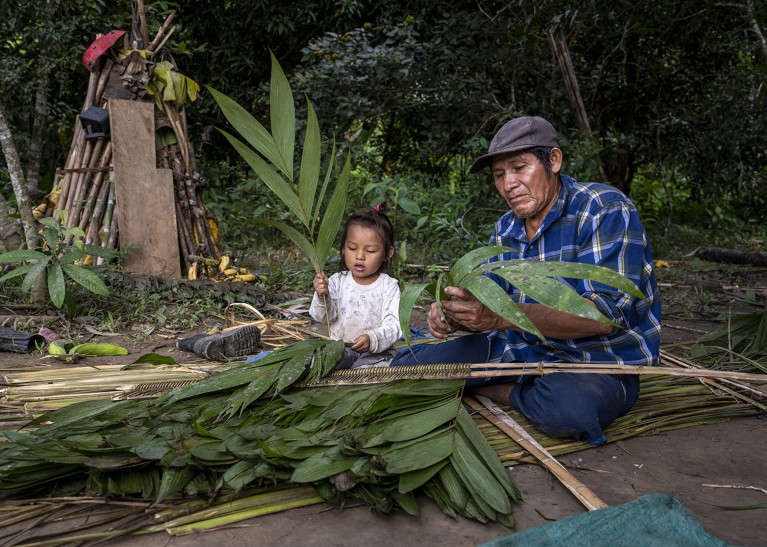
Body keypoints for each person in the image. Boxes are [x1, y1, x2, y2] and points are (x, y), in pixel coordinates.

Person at [391, 115, 661, 445]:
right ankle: (513, 385)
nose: (508, 184)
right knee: (409, 366)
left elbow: (603, 317)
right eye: (499, 175)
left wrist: (498, 317)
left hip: (595, 362)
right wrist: (455, 314)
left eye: (519, 168)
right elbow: (489, 306)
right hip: (522, 350)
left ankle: (498, 389)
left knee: (570, 410)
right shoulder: (506, 228)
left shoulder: (602, 209)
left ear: (554, 160)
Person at [310, 205, 402, 369]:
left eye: (371, 250)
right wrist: (322, 295)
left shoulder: (389, 286)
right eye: (352, 248)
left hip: (376, 355)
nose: (359, 256)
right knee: (316, 365)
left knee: (370, 372)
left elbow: (394, 326)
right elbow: (323, 317)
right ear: (344, 249)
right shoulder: (337, 281)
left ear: (388, 253)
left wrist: (372, 339)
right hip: (340, 350)